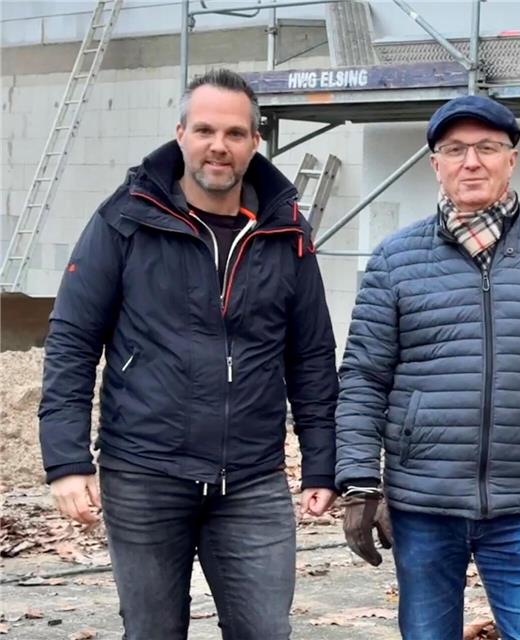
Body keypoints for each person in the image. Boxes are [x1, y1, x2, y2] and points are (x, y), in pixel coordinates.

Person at [38, 68, 339, 639]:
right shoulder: (125, 218)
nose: (218, 146)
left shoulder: (287, 231)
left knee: (266, 632)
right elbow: (73, 340)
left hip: (252, 479)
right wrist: (68, 461)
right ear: (180, 134)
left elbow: (312, 355)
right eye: (204, 130)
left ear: (255, 141)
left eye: (234, 133)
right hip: (144, 473)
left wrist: (321, 462)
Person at [335, 95, 520, 640]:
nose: (471, 161)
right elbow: (363, 380)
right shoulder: (396, 259)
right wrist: (358, 483)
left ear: (510, 159)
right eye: (455, 149)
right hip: (422, 503)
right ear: (436, 164)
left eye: (487, 148)